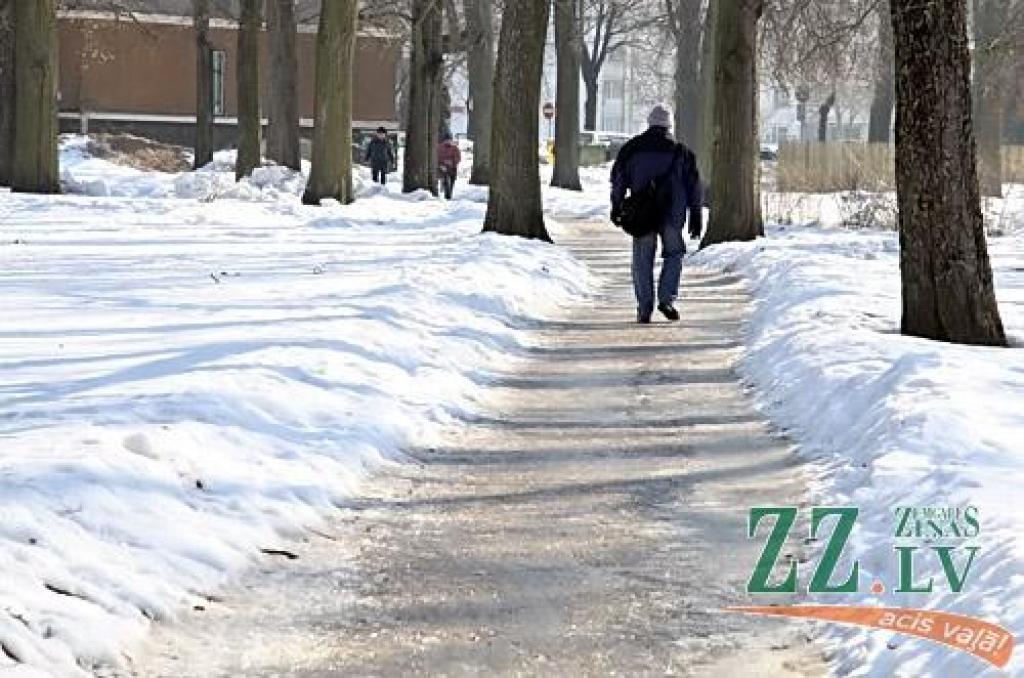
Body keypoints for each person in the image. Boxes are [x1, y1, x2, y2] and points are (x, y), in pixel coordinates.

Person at [611, 104, 702, 324]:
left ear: (650, 123)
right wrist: (696, 212)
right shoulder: (682, 153)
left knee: (642, 260)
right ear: (669, 126)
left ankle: (644, 307)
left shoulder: (631, 149)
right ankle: (667, 298)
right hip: (673, 214)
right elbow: (694, 185)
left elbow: (618, 179)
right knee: (674, 254)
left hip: (642, 215)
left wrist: (617, 206)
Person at [437, 134, 462, 199]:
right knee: (446, 180)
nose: (448, 141)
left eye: (449, 140)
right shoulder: (440, 147)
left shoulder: (455, 148)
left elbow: (458, 157)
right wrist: (442, 163)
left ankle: (449, 192)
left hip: (452, 168)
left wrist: (453, 162)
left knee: (452, 181)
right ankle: (447, 194)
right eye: (446, 140)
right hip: (443, 167)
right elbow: (437, 157)